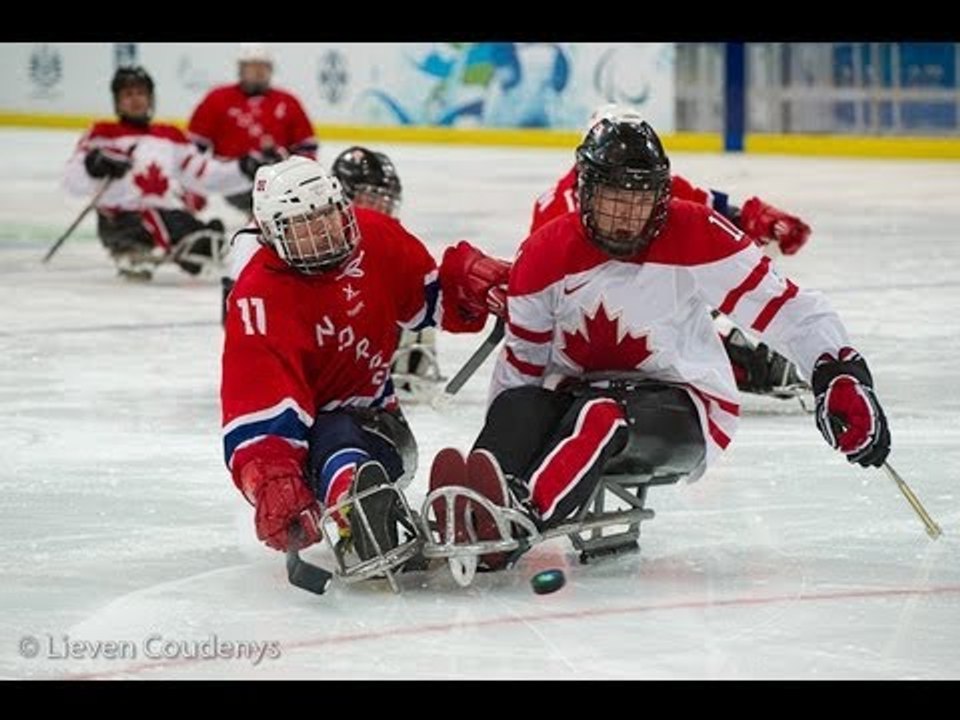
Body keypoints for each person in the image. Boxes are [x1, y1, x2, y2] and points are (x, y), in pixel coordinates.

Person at [429, 117, 891, 571]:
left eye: (641, 198)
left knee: (600, 412)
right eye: (613, 197)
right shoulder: (542, 253)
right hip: (580, 402)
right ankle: (474, 511)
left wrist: (837, 372)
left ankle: (518, 519)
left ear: (663, 195)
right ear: (585, 191)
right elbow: (522, 366)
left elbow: (790, 310)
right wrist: (499, 451)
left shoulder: (698, 233)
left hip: (684, 408)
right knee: (519, 404)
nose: (627, 215)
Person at [220, 156, 510, 576]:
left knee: (343, 433)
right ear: (270, 235)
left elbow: (430, 301)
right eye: (303, 226)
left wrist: (469, 282)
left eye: (327, 216)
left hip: (384, 430)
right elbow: (258, 408)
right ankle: (358, 513)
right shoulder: (258, 298)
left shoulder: (373, 235)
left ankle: (367, 510)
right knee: (331, 432)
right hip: (305, 455)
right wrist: (272, 479)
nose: (322, 232)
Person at [531, 104, 813, 400]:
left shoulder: (653, 182)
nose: (631, 166)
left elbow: (715, 213)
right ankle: (732, 358)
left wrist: (764, 222)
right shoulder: (555, 207)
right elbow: (548, 289)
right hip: (585, 321)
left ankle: (727, 356)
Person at [63, 66, 256, 281]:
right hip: (121, 219)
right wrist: (93, 165)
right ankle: (138, 248)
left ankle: (191, 244)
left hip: (167, 215)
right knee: (174, 234)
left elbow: (203, 174)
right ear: (117, 101)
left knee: (204, 238)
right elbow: (72, 181)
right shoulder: (102, 134)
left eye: (141, 93)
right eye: (128, 94)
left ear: (150, 98)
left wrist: (241, 169)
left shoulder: (169, 136)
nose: (135, 100)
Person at [331, 146, 441, 399]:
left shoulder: (390, 243)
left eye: (385, 202)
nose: (378, 211)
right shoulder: (315, 245)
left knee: (417, 302)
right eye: (370, 200)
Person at [188, 43, 317, 215]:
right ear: (241, 69)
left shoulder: (288, 102)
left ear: (271, 70)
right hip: (230, 180)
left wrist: (287, 163)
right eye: (252, 66)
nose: (258, 72)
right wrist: (195, 188)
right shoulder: (217, 99)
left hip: (277, 181)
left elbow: (307, 148)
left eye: (263, 67)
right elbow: (193, 149)